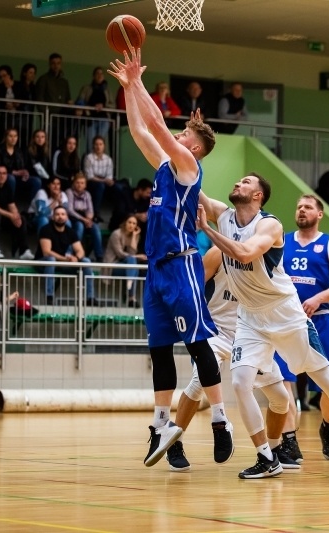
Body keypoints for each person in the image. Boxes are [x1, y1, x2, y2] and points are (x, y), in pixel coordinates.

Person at [198, 173, 329, 478]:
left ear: (258, 195)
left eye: (246, 182)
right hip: (250, 316)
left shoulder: (269, 225)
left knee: (326, 381)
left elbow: (245, 253)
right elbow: (191, 182)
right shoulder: (225, 216)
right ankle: (266, 457)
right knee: (240, 382)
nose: (238, 183)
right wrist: (178, 149)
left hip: (287, 314)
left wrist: (206, 229)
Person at [108, 49, 232, 469]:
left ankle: (219, 420)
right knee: (160, 350)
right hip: (156, 270)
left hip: (182, 266)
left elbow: (159, 126)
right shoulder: (165, 165)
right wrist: (128, 89)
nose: (175, 137)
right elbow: (142, 129)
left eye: (183, 136)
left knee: (197, 345)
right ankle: (162, 428)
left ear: (193, 147)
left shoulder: (187, 168)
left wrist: (138, 80)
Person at [166, 246, 287, 472]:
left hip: (250, 334)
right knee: (199, 381)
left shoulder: (263, 253)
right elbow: (191, 289)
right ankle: (174, 442)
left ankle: (273, 451)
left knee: (281, 398)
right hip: (216, 332)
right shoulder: (217, 253)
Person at [275, 194, 329, 464]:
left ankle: (328, 427)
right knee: (282, 383)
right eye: (298, 207)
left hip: (319, 319)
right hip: (285, 322)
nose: (302, 210)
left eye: (308, 207)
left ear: (319, 214)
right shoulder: (281, 240)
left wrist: (319, 297)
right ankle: (289, 441)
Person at [35, 206, 96, 306]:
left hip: (62, 264)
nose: (60, 217)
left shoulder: (70, 231)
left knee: (86, 261)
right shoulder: (46, 229)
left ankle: (90, 298)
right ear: (53, 217)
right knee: (51, 260)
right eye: (57, 214)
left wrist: (77, 258)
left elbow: (80, 251)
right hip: (43, 263)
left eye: (63, 214)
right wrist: (66, 259)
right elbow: (47, 252)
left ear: (67, 217)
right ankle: (49, 296)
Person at [0, 165, 34, 260]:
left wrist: (16, 216)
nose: (2, 176)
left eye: (4, 173)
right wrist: (10, 215)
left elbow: (12, 206)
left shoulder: (7, 187)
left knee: (21, 218)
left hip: (3, 216)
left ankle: (24, 251)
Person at [102, 215, 147, 307]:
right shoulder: (116, 234)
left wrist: (134, 236)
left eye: (134, 223)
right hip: (112, 265)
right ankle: (131, 294)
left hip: (125, 265)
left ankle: (131, 294)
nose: (131, 225)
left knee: (133, 265)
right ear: (125, 223)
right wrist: (137, 256)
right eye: (129, 222)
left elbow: (131, 252)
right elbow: (120, 254)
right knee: (133, 264)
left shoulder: (135, 236)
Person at [76, 67, 113, 153]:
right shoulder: (87, 88)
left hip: (104, 119)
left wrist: (103, 106)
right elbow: (80, 100)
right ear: (93, 76)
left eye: (101, 74)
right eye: (97, 73)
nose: (99, 75)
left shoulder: (107, 90)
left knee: (101, 143)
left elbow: (112, 105)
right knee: (91, 144)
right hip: (90, 119)